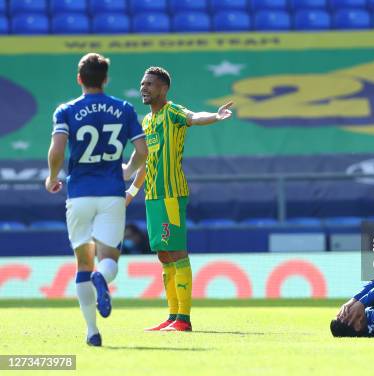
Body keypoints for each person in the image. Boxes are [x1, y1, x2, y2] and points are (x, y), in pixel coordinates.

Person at [45, 53, 148, 346]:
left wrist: (53, 177)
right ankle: (102, 277)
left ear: (80, 79)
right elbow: (142, 151)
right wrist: (128, 169)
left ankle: (92, 332)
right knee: (109, 261)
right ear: (105, 79)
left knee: (82, 264)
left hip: (78, 194)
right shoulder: (124, 109)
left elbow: (57, 151)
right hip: (112, 194)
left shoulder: (66, 110)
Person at [125, 66, 233, 332]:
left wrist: (216, 117)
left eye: (149, 84)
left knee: (176, 252)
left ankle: (184, 318)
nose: (144, 88)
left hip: (171, 194)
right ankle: (172, 316)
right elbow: (145, 162)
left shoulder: (172, 112)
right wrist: (131, 192)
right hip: (153, 195)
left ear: (163, 88)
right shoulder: (147, 122)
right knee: (163, 254)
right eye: (142, 84)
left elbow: (194, 117)